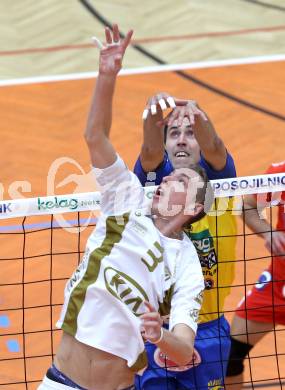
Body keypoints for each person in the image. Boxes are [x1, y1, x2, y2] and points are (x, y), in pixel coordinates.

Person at [38, 24, 209, 390]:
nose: (166, 180)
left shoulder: (186, 262)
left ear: (195, 206)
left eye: (179, 182)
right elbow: (94, 137)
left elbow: (182, 350)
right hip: (63, 382)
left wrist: (159, 336)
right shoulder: (126, 200)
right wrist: (107, 75)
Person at [134, 93, 237, 389]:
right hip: (157, 330)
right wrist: (153, 113)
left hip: (209, 330)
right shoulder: (158, 185)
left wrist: (196, 111)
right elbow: (149, 149)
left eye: (190, 133)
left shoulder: (217, 181)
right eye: (174, 134)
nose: (181, 140)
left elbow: (215, 146)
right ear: (166, 146)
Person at [226, 161, 285, 389]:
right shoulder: (281, 173)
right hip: (277, 283)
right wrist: (268, 232)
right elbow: (247, 205)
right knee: (228, 357)